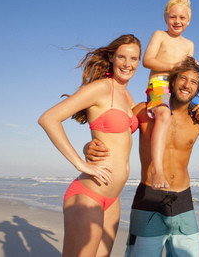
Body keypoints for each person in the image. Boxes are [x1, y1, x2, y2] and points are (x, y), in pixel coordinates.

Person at [86, 57, 199, 257]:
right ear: (172, 82)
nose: (187, 85)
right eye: (183, 79)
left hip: (184, 202)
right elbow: (112, 133)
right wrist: (89, 145)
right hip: (149, 199)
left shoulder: (198, 119)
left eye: (193, 82)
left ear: (198, 90)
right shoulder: (145, 112)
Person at [38, 34, 141, 257]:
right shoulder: (102, 88)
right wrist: (80, 163)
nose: (127, 63)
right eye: (122, 57)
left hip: (113, 199)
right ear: (112, 58)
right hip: (88, 194)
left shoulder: (128, 96)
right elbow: (48, 119)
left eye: (133, 59)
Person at [143, 0, 199, 189]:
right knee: (163, 115)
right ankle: (157, 168)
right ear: (166, 18)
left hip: (179, 86)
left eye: (182, 18)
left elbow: (188, 70)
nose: (177, 21)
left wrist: (194, 66)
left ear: (188, 21)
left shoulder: (189, 44)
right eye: (173, 17)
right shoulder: (160, 35)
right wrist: (174, 65)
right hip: (160, 83)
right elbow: (147, 61)